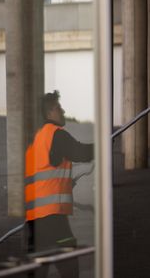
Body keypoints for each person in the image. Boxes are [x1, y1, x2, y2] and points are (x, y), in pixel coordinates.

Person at [25, 91, 94, 277]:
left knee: (38, 267)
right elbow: (81, 153)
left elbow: (43, 176)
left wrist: (65, 182)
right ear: (49, 114)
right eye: (58, 108)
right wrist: (102, 145)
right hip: (51, 215)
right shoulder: (56, 135)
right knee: (69, 262)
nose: (62, 110)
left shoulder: (38, 138)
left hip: (34, 217)